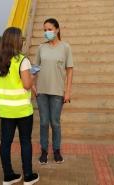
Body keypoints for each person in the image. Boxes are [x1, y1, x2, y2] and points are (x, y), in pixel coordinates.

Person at [0, 27, 39, 185]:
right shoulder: (22, 60)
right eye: (21, 38)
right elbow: (27, 85)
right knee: (25, 141)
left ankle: (8, 176)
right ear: (16, 41)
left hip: (5, 109)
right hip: (22, 110)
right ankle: (28, 176)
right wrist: (33, 75)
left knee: (5, 142)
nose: (22, 41)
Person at [33, 18, 73, 164]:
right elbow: (35, 68)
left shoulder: (66, 47)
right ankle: (44, 151)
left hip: (57, 92)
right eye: (44, 30)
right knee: (43, 122)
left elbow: (69, 70)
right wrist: (33, 86)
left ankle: (56, 150)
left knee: (55, 123)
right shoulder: (41, 48)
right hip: (42, 92)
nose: (47, 32)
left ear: (57, 30)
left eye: (49, 29)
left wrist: (67, 91)